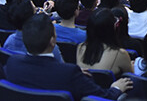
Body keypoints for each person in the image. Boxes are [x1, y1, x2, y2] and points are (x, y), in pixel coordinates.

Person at [4, 13, 132, 100]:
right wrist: (116, 88)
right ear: (52, 41)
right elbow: (101, 96)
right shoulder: (69, 73)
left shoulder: (12, 63)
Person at [77, 8, 133, 77]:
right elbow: (130, 77)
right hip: (111, 87)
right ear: (112, 29)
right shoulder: (121, 54)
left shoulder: (80, 47)